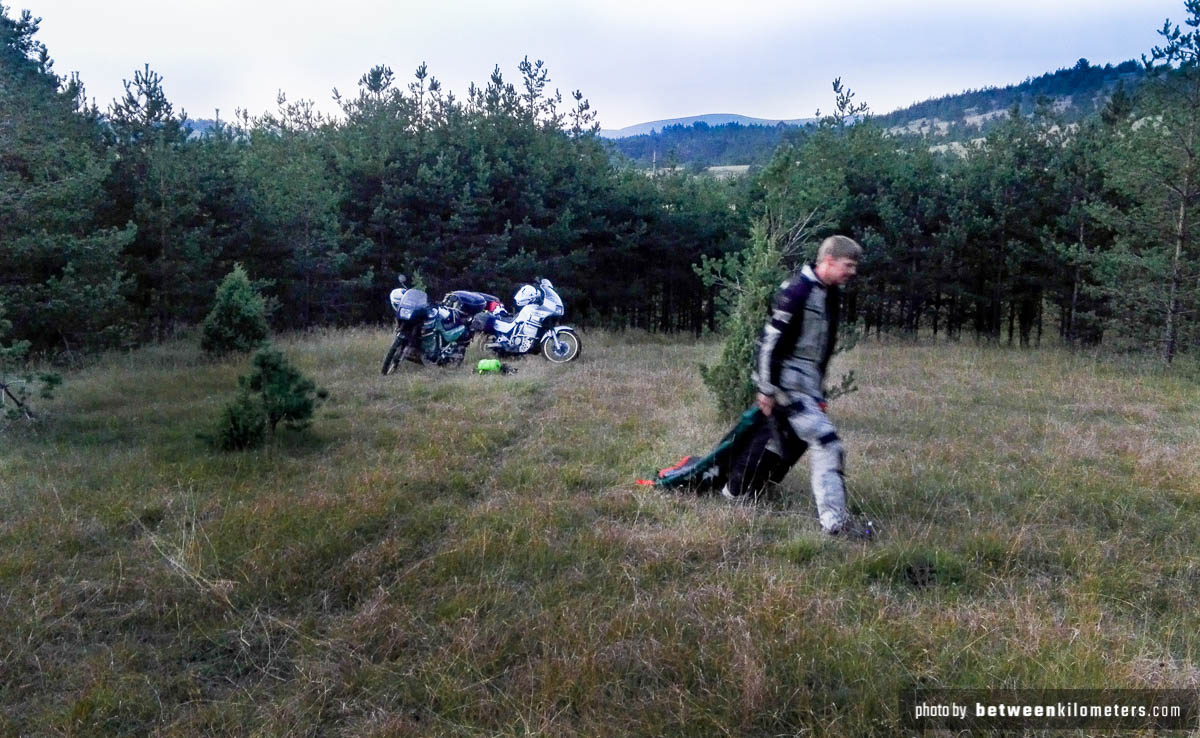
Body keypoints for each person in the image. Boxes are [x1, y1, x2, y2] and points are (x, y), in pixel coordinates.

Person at [731, 235, 868, 538]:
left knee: (781, 443)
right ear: (829, 260)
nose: (852, 272)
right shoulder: (797, 292)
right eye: (848, 265)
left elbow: (820, 349)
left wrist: (817, 392)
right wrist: (766, 389)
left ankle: (735, 492)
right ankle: (835, 523)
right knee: (827, 442)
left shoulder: (830, 292)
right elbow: (769, 344)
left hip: (807, 388)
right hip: (786, 387)